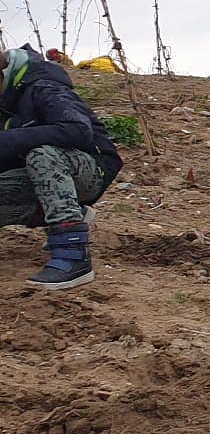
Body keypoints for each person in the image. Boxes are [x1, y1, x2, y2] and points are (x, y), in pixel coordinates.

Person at [0, 48, 123, 289]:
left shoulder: (43, 86)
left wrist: (7, 140)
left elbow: (77, 130)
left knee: (42, 154)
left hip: (90, 169)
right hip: (44, 178)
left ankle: (73, 255)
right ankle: (68, 211)